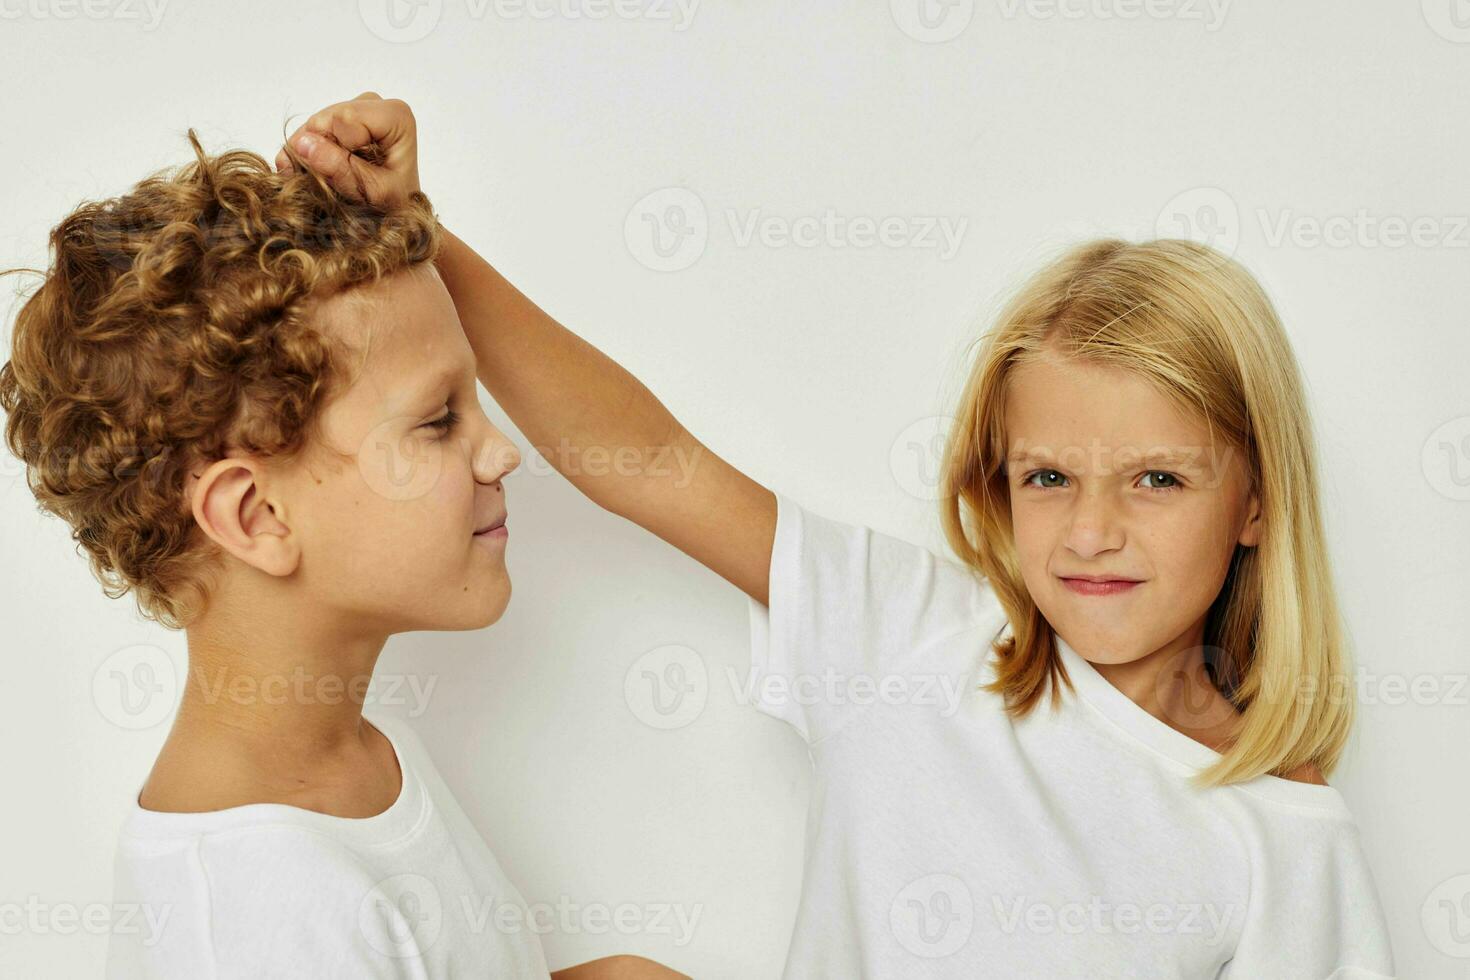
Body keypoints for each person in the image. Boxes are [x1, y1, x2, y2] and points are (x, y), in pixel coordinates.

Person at [279, 92, 1398, 978]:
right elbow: (650, 461)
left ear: (1255, 503)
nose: (1092, 530)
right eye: (1048, 475)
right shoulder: (914, 634)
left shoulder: (1288, 841)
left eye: (1157, 478)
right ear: (996, 485)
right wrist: (417, 234)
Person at [0, 116, 685, 978]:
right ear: (254, 517)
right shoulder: (264, 922)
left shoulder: (358, 757)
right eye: (439, 421)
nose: (503, 451)